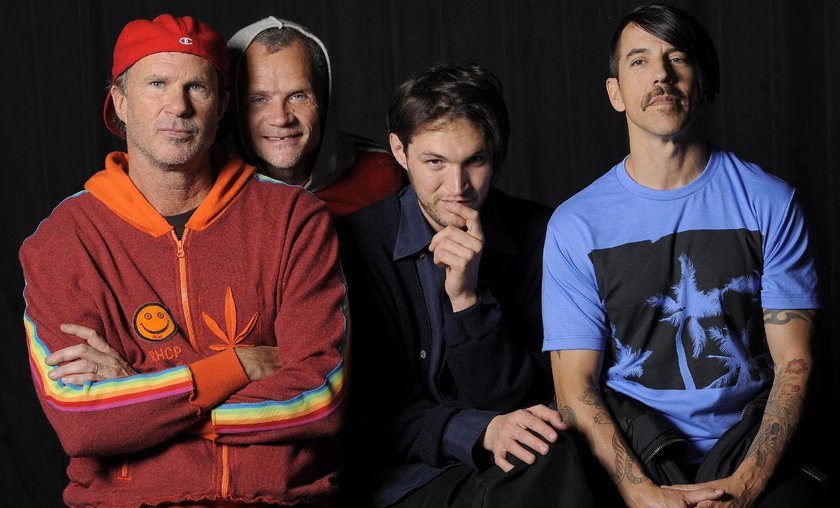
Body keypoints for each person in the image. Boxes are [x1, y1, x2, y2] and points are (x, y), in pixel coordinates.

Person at [19, 14, 347, 507]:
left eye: (197, 86)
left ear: (223, 107)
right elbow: (82, 421)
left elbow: (320, 398)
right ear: (120, 103)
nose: (178, 106)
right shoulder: (63, 240)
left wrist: (138, 395)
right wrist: (239, 365)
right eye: (157, 84)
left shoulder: (294, 218)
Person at [543, 4, 822, 507]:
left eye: (677, 57)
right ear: (615, 93)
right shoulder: (575, 225)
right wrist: (641, 494)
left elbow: (794, 362)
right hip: (636, 448)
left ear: (702, 80)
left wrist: (747, 484)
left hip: (750, 441)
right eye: (639, 61)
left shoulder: (770, 203)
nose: (661, 75)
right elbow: (575, 388)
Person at [338, 63, 597, 507]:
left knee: (557, 452)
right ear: (399, 151)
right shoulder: (354, 244)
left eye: (475, 161)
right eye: (434, 162)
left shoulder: (540, 235)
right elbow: (367, 415)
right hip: (407, 481)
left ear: (494, 155)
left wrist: (467, 299)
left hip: (518, 469)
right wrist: (479, 430)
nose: (457, 188)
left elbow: (528, 401)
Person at [226, 16, 404, 218]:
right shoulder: (209, 188)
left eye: (297, 96)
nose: (281, 118)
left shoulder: (382, 173)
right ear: (231, 107)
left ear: (323, 100)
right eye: (259, 99)